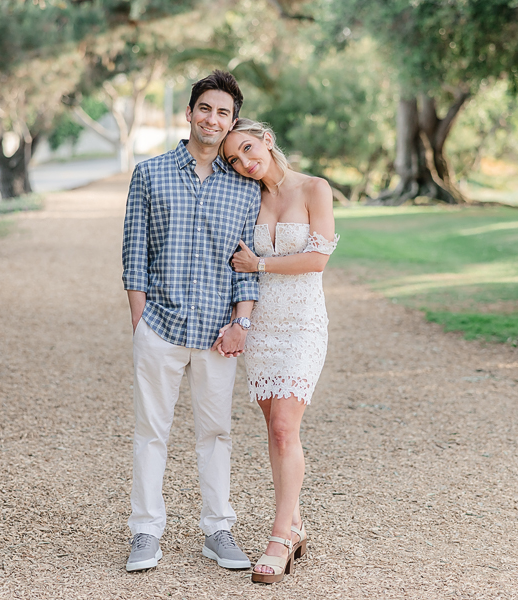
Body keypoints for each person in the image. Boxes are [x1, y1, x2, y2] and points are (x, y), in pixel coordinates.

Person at [121, 71, 261, 573]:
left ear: (232, 122)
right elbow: (134, 255)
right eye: (205, 108)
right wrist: (141, 325)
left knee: (216, 433)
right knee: (150, 432)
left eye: (223, 112)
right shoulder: (150, 174)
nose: (212, 118)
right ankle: (144, 532)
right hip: (159, 326)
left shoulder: (245, 189)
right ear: (189, 112)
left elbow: (246, 266)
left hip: (218, 335)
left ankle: (217, 529)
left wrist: (241, 323)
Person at [219, 118, 339, 584]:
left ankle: (279, 538)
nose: (246, 163)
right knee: (276, 431)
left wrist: (261, 261)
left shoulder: (315, 188)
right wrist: (241, 321)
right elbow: (238, 267)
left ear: (267, 140)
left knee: (286, 429)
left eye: (249, 149)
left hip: (303, 323)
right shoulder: (247, 198)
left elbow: (319, 258)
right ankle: (297, 523)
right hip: (262, 326)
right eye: (235, 159)